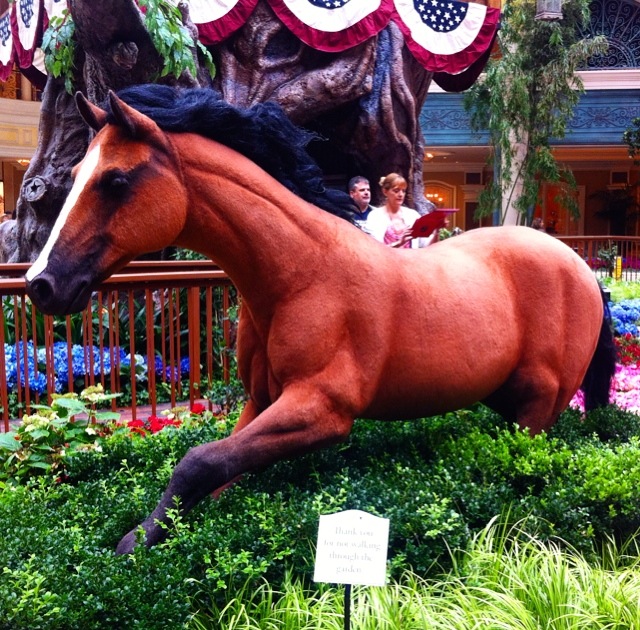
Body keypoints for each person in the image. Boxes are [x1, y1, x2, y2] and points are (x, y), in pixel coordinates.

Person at [365, 173, 435, 248]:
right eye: (396, 191)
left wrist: (437, 230)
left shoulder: (413, 215)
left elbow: (427, 245)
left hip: (410, 259)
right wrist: (399, 243)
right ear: (385, 191)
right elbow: (374, 249)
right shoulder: (375, 216)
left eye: (403, 191)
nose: (401, 194)